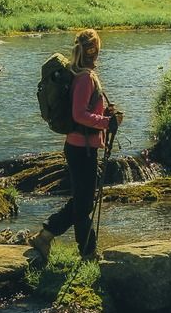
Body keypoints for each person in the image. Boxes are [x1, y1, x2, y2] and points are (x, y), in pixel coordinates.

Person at [34, 28, 118, 262]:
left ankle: (85, 251)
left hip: (81, 146)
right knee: (83, 203)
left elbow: (84, 111)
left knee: (82, 202)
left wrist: (104, 114)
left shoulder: (80, 74)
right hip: (82, 149)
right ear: (95, 50)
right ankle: (49, 236)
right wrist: (107, 122)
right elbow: (79, 114)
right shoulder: (85, 78)